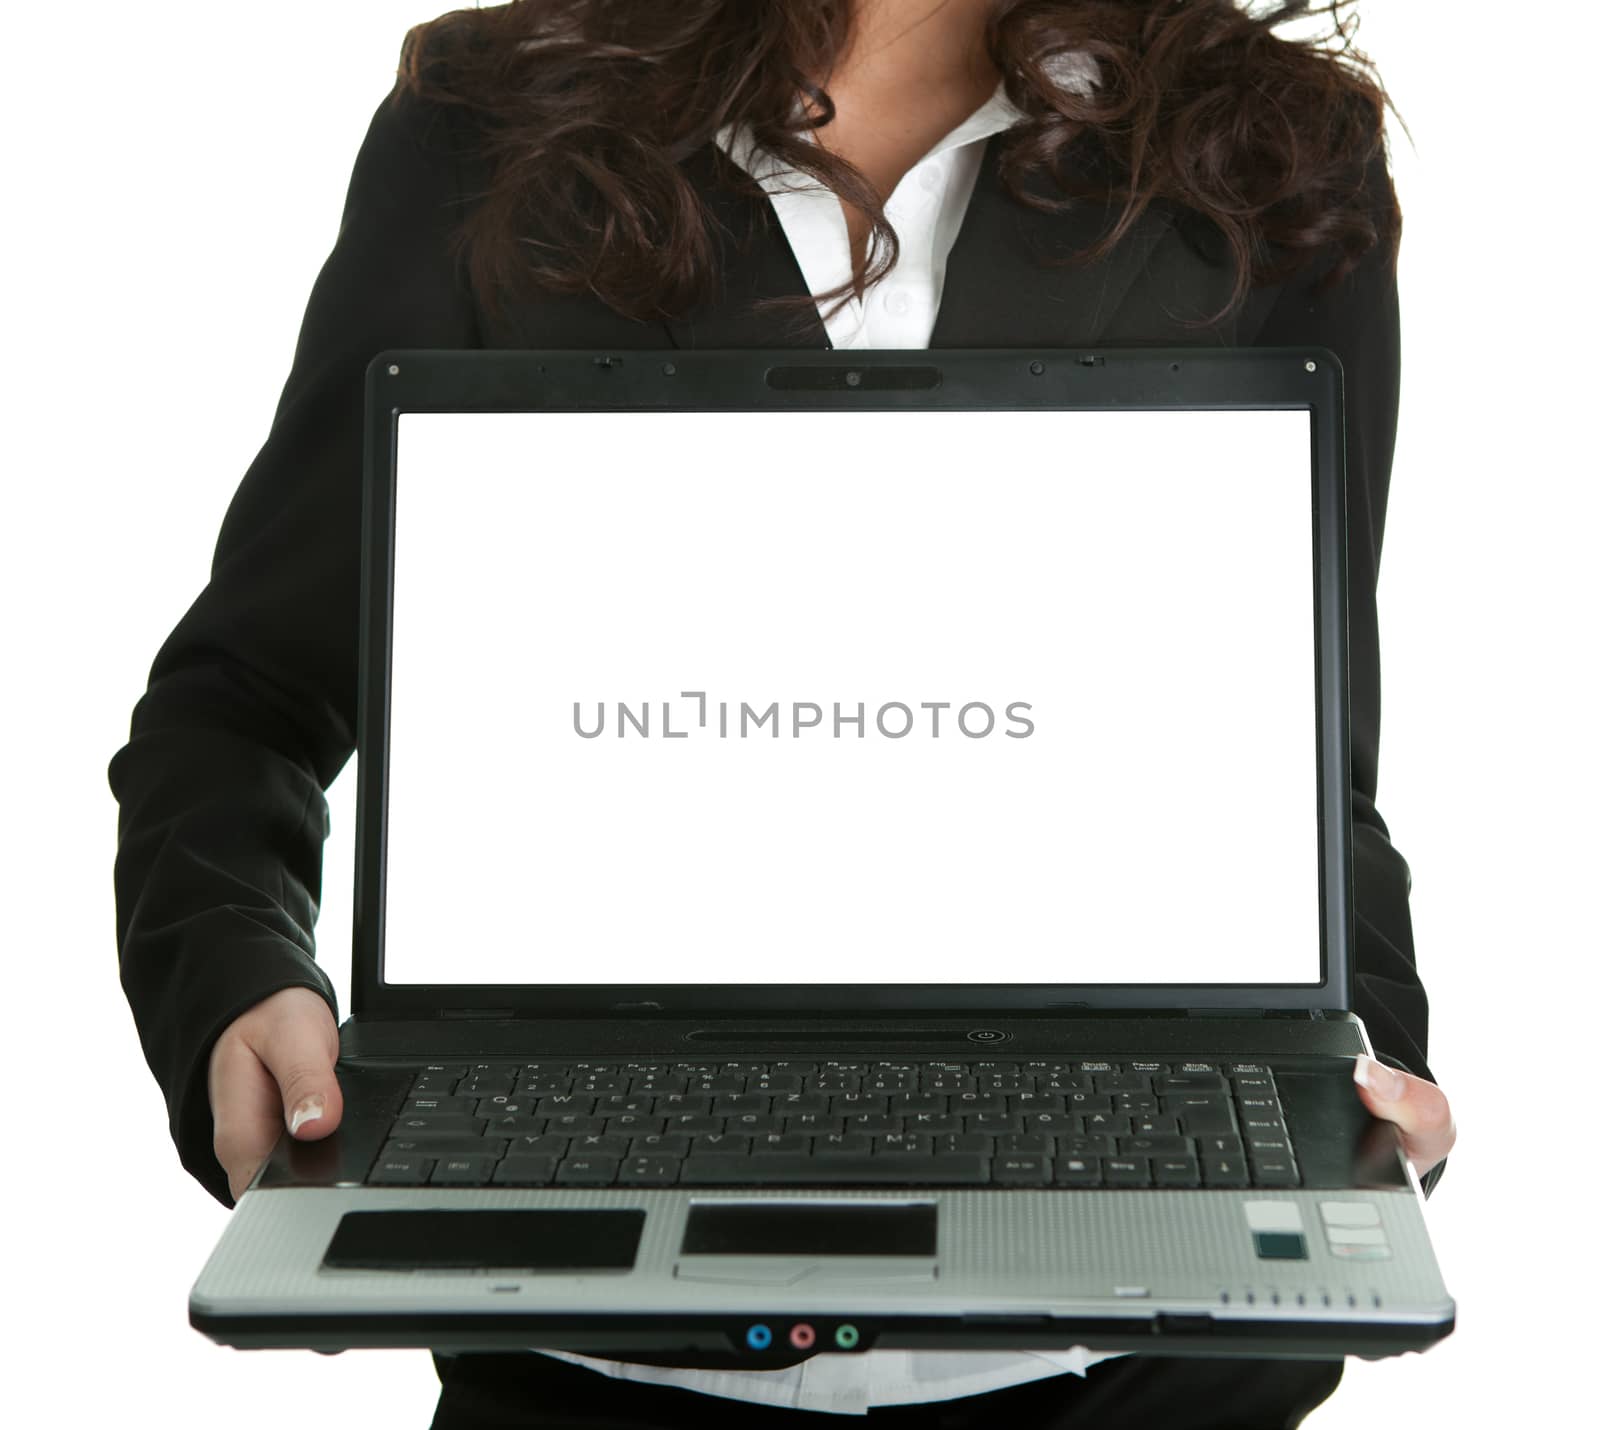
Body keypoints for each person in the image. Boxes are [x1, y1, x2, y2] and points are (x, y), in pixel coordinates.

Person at [108, 1, 1457, 1425]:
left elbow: (1307, 766)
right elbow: (247, 697)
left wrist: (1362, 1074)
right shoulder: (490, 118)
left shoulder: (1272, 145)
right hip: (592, 1372)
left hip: (1141, 1386)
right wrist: (237, 980)